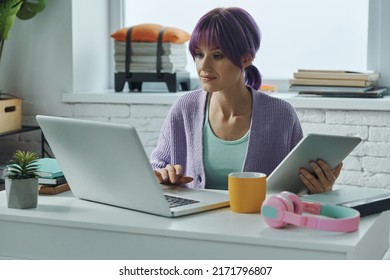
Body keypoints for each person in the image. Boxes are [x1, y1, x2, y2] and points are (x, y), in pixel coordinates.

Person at [150, 7, 342, 194]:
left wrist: (319, 188)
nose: (204, 66)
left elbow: (298, 187)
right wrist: (162, 175)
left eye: (217, 56)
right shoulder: (184, 108)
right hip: (194, 224)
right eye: (199, 54)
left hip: (259, 222)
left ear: (246, 59)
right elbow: (157, 168)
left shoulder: (281, 114)